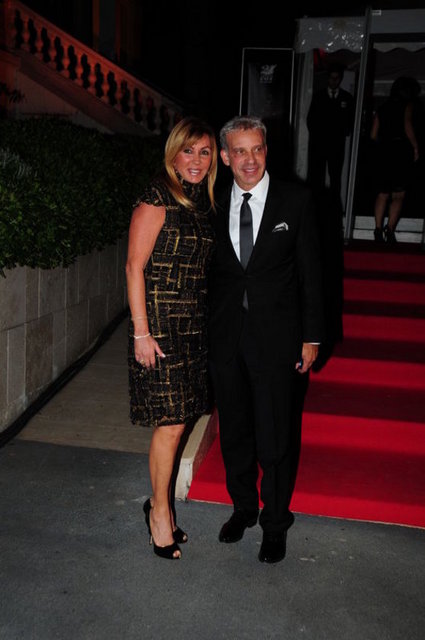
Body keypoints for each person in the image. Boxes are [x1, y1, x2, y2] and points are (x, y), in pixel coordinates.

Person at [208, 116, 324, 564]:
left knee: (275, 436)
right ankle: (243, 508)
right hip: (226, 340)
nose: (250, 159)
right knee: (235, 431)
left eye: (257, 149)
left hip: (277, 340)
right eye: (240, 151)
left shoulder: (295, 200)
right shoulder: (213, 202)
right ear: (225, 157)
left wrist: (311, 337)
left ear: (266, 151)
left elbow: (312, 274)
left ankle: (275, 523)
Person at [126, 116, 217, 560]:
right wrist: (141, 332)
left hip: (193, 327)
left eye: (205, 151)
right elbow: (134, 267)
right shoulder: (157, 196)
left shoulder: (200, 201)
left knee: (181, 418)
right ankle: (160, 514)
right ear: (173, 153)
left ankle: (158, 504)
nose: (196, 160)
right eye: (188, 150)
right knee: (172, 422)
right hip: (160, 328)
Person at [370, 76, 420, 244]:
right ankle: (389, 229)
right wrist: (415, 146)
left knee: (382, 192)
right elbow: (407, 125)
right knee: (399, 193)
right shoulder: (408, 105)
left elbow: (373, 134)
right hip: (400, 151)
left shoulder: (383, 107)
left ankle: (377, 228)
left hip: (384, 151)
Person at [307, 63, 354, 212]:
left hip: (336, 145)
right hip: (320, 144)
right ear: (328, 78)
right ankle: (316, 205)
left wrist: (344, 132)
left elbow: (350, 119)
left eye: (337, 78)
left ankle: (334, 207)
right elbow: (311, 120)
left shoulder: (346, 97)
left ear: (340, 79)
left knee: (335, 177)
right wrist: (317, 137)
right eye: (332, 78)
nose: (334, 81)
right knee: (317, 176)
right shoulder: (319, 96)